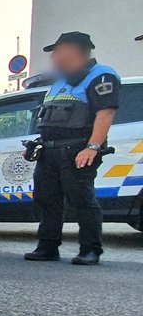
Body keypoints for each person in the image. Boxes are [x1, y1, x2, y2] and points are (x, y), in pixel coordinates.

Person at [23, 32, 120, 265]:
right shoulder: (61, 81)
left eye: (57, 51)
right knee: (47, 199)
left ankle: (90, 249)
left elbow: (105, 113)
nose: (53, 57)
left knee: (82, 200)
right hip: (49, 151)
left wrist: (92, 147)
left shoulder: (101, 75)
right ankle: (48, 247)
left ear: (73, 50)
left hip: (77, 151)